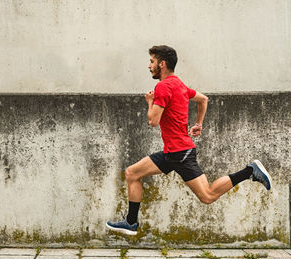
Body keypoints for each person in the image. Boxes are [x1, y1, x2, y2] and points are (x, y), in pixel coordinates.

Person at [106, 45, 272, 236]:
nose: (149, 66)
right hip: (171, 152)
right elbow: (203, 99)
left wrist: (150, 102)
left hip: (180, 153)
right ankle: (131, 222)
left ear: (162, 64)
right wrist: (198, 124)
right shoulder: (179, 84)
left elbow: (153, 121)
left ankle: (250, 171)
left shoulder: (163, 86)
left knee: (208, 196)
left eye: (152, 61)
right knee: (132, 173)